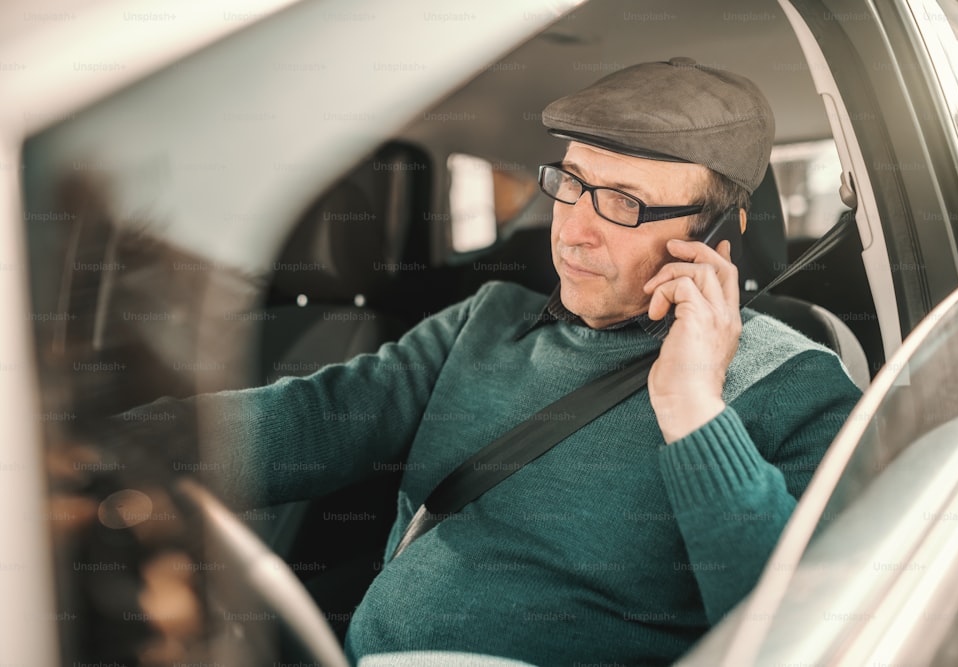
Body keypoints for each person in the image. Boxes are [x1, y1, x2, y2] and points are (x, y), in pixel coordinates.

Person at [120, 58, 861, 666]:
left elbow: (790, 629)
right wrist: (104, 446)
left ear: (717, 235)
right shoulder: (487, 320)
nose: (572, 231)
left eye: (623, 204)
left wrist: (694, 409)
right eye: (571, 183)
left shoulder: (796, 386)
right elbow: (309, 419)